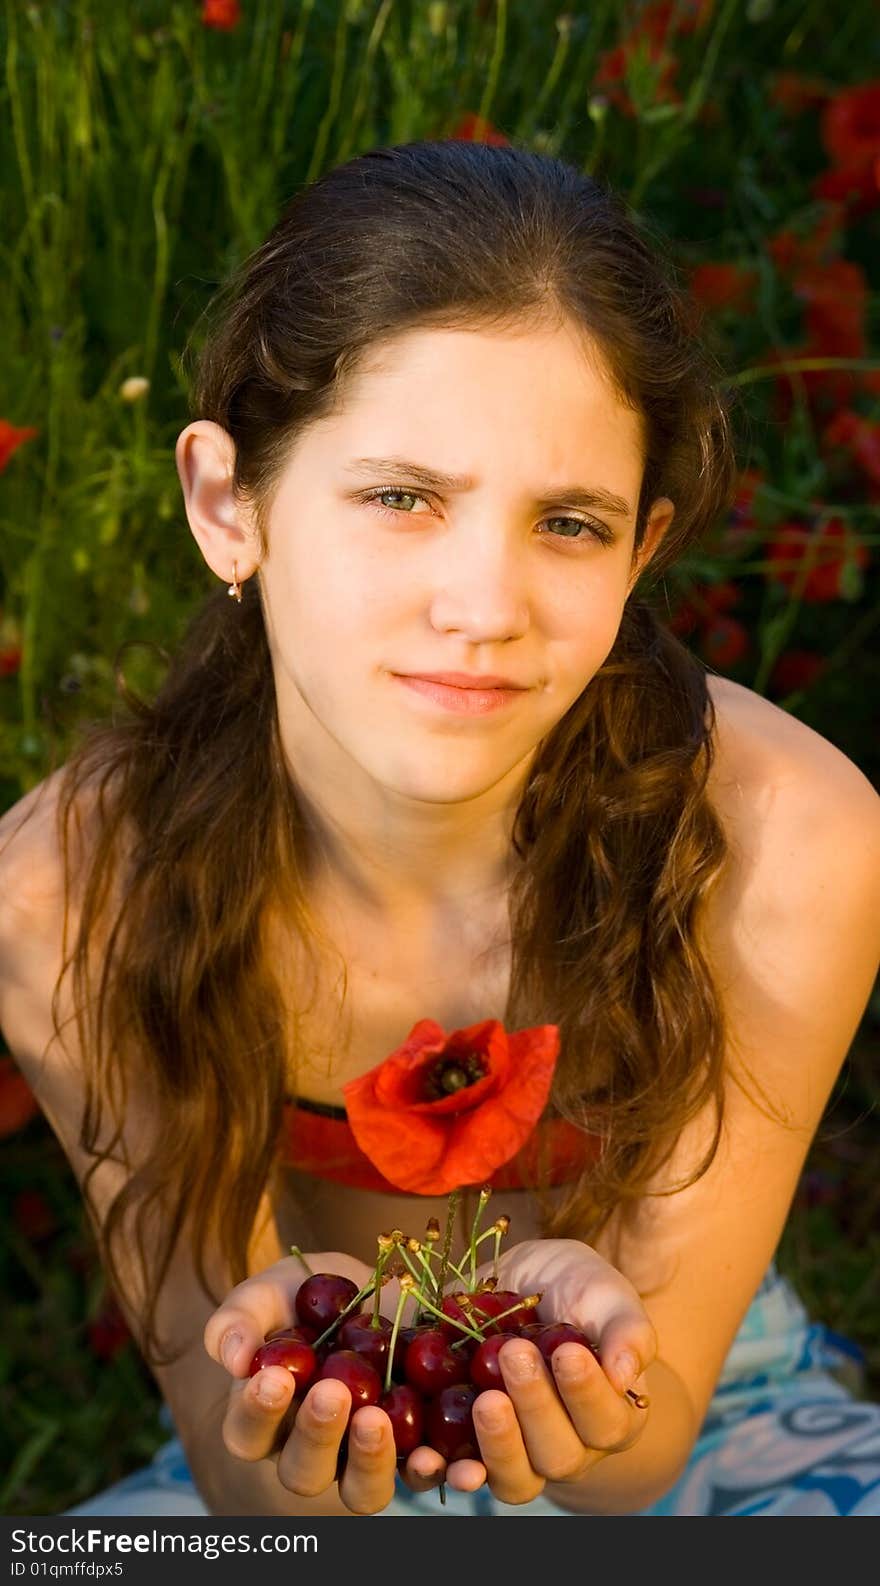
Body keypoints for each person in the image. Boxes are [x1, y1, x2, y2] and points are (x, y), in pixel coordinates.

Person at [2, 139, 880, 1521]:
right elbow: (246, 1478)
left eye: (569, 522)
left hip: (709, 1415)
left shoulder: (786, 838)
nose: (485, 604)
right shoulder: (71, 896)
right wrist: (300, 1389)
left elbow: (637, 1460)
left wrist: (591, 1354)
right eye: (402, 497)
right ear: (230, 505)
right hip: (316, 1439)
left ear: (644, 547)